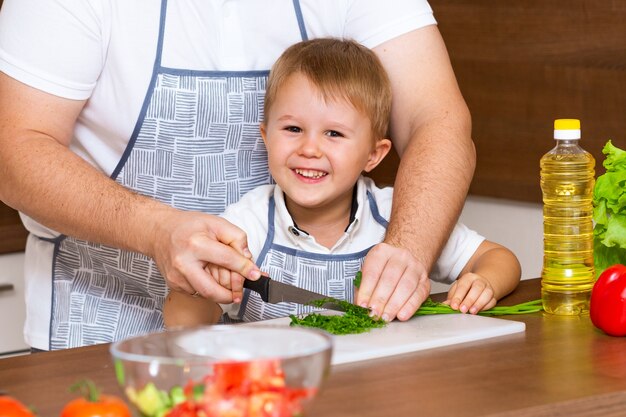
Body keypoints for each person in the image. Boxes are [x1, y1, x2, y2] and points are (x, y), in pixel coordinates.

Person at [0, 1, 476, 350]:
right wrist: (157, 230)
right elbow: (13, 149)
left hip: (283, 356)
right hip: (98, 329)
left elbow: (437, 119)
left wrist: (409, 249)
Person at [164, 38, 521, 326]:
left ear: (374, 154)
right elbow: (185, 327)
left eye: (334, 133)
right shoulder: (244, 227)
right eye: (292, 129)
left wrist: (484, 283)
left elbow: (499, 258)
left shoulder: (397, 217)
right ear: (265, 136)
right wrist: (197, 289)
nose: (309, 149)